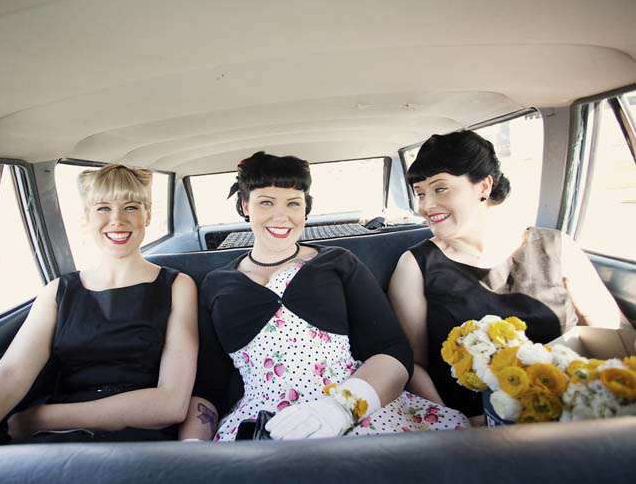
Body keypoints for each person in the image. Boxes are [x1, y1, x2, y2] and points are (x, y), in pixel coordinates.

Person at [0, 164, 197, 454]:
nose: (117, 219)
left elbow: (170, 404)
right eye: (103, 208)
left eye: (130, 207)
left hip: (140, 440)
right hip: (58, 443)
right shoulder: (58, 291)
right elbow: (9, 375)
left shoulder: (177, 286)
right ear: (86, 218)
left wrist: (42, 418)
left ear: (147, 215)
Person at [180, 152, 467, 441]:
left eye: (293, 203)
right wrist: (191, 449)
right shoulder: (215, 284)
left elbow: (393, 351)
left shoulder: (339, 262)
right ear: (245, 205)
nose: (281, 216)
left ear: (306, 209)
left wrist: (341, 409)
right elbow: (207, 388)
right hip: (260, 425)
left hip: (356, 406)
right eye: (266, 202)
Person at [388, 130, 631, 423]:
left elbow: (613, 334)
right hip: (473, 424)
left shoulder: (558, 247)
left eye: (440, 189)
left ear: (484, 186)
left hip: (570, 418)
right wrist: (454, 424)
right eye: (420, 193)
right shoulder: (415, 266)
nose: (426, 206)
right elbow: (414, 364)